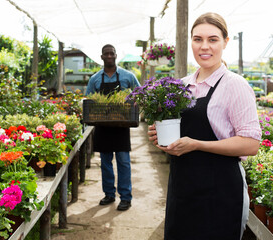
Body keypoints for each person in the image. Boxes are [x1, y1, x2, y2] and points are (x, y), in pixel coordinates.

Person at [147, 13, 262, 239]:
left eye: (213, 39)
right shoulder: (181, 85)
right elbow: (178, 133)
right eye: (198, 39)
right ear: (190, 41)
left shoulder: (234, 85)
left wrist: (197, 144)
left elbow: (251, 144)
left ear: (225, 42)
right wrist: (159, 135)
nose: (204, 47)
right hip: (182, 188)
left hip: (220, 192)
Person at [85, 44, 140, 211]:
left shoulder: (127, 76)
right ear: (101, 57)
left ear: (116, 55)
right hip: (102, 126)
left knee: (123, 161)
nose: (109, 56)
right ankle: (109, 194)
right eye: (106, 54)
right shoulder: (95, 79)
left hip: (121, 125)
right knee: (105, 162)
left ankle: (126, 197)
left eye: (111, 53)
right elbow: (88, 101)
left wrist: (135, 103)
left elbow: (140, 93)